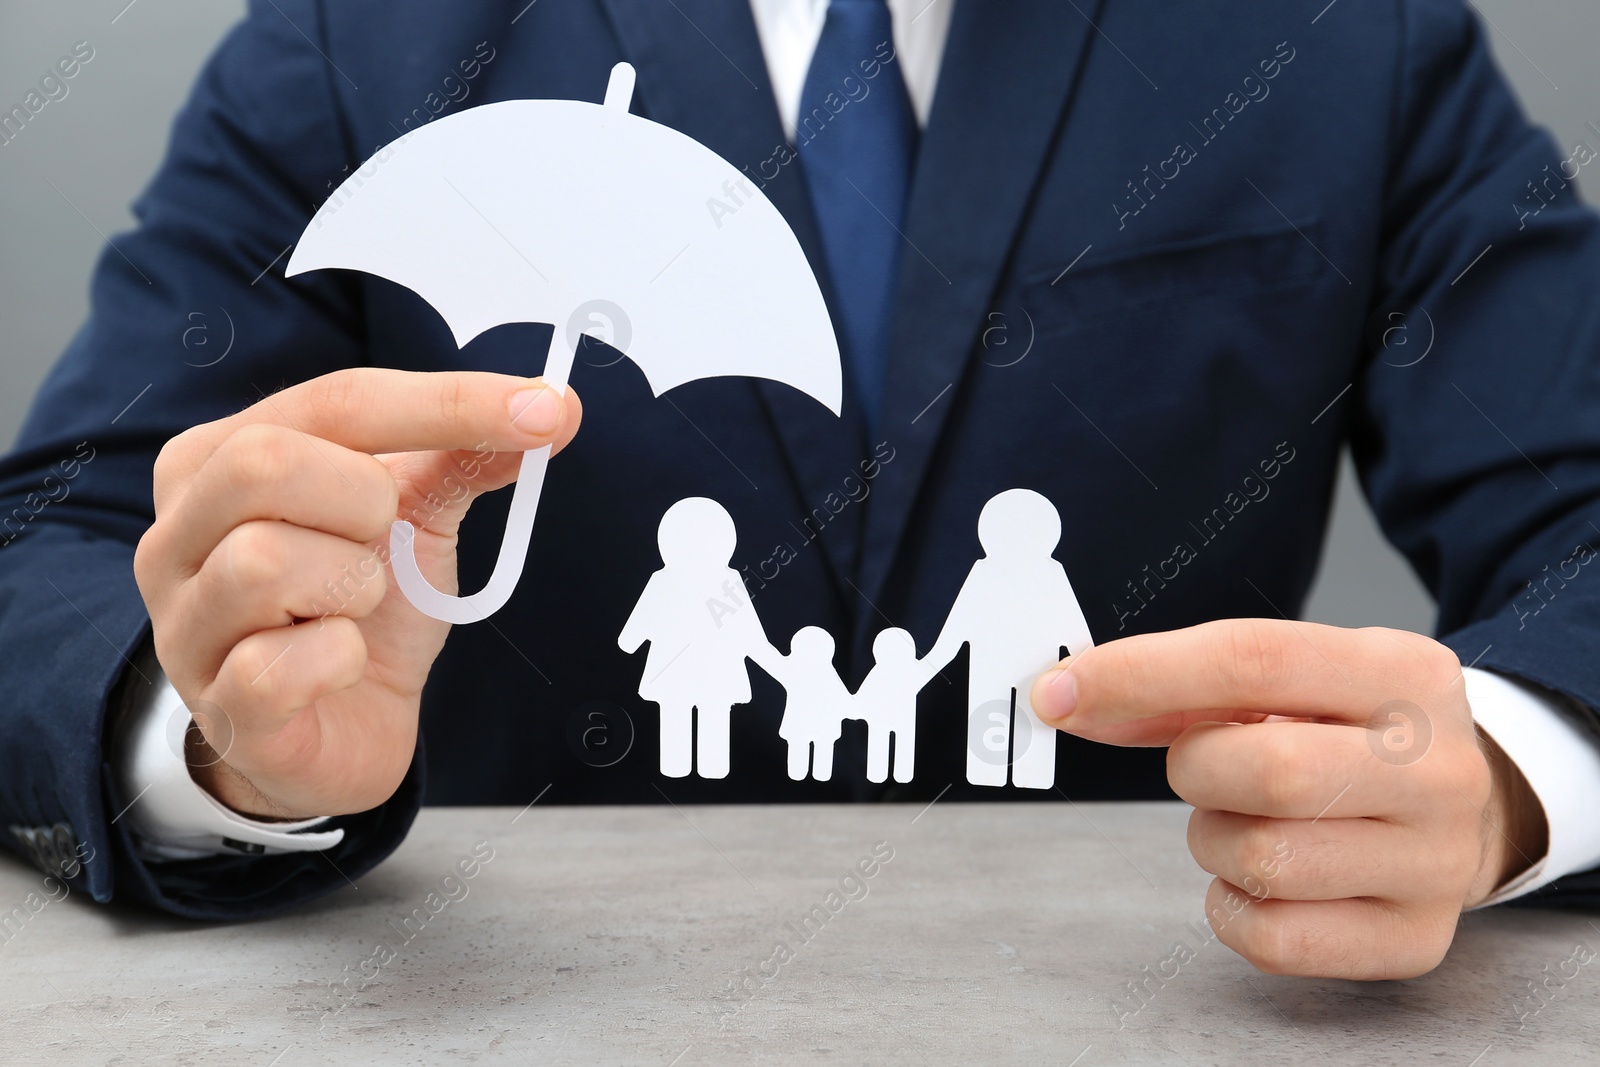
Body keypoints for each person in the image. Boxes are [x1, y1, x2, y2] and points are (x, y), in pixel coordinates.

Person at [1, 0, 1598, 980]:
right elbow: (48, 543)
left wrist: (1512, 776)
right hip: (501, 1009)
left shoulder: (1344, 35)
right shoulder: (367, 35)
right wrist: (219, 733)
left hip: (1166, 989)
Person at [920, 489, 1094, 789]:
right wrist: (928, 666)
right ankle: (993, 772)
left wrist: (1095, 672)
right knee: (989, 728)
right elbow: (959, 624)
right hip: (993, 664)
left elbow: (1077, 633)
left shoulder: (1050, 573)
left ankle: (1030, 772)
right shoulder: (986, 572)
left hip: (1035, 668)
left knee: (1035, 718)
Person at [618, 498, 775, 780]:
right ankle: (705, 766)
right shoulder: (688, 581)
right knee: (702, 712)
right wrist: (774, 662)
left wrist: (631, 641)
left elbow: (631, 636)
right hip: (714, 670)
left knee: (685, 713)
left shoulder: (667, 580)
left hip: (677, 669)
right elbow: (751, 636)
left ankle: (687, 767)